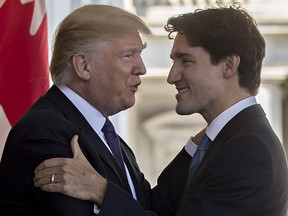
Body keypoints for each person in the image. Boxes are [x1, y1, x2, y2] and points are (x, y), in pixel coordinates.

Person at [34, 2, 288, 216]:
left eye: (186, 61)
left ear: (228, 65)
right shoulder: (225, 139)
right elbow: (155, 206)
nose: (171, 76)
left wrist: (100, 190)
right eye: (127, 56)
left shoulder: (248, 150)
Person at [0, 4, 178, 216]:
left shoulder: (106, 135)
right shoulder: (45, 133)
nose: (141, 68)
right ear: (83, 66)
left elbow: (147, 205)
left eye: (139, 54)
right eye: (128, 55)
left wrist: (201, 143)